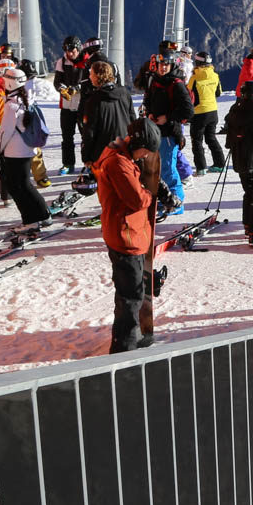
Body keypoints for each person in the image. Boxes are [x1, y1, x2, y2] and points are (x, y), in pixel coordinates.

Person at [95, 116, 161, 353]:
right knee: (130, 296)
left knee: (131, 292)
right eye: (146, 151)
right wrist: (150, 194)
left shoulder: (123, 156)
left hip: (127, 232)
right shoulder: (118, 164)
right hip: (125, 237)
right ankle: (123, 347)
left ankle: (129, 337)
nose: (146, 156)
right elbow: (137, 199)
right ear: (137, 144)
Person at [0, 67, 52, 226]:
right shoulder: (27, 100)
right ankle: (42, 215)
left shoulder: (11, 106)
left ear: (10, 84)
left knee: (16, 186)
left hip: (14, 152)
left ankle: (30, 219)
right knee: (24, 184)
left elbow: (4, 132)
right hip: (27, 149)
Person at [222, 81, 253, 243]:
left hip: (240, 160)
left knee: (248, 193)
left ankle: (247, 225)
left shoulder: (233, 113)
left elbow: (229, 141)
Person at [80, 58, 134, 168]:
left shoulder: (93, 100)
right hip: (125, 149)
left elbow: (89, 131)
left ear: (98, 76)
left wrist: (86, 156)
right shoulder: (124, 93)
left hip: (103, 154)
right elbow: (133, 120)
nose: (89, 77)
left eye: (91, 74)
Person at [188, 51, 227, 174]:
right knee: (211, 138)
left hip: (199, 112)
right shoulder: (215, 75)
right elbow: (218, 93)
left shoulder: (194, 78)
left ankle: (201, 168)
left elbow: (189, 96)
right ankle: (220, 164)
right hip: (213, 111)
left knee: (197, 140)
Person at [53, 35, 88, 175]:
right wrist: (62, 89)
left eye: (72, 50)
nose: (69, 53)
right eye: (67, 50)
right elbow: (57, 81)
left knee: (86, 136)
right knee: (67, 136)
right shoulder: (62, 62)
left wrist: (77, 88)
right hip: (66, 105)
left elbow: (89, 82)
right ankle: (68, 163)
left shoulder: (87, 62)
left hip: (83, 105)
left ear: (78, 48)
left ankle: (89, 163)